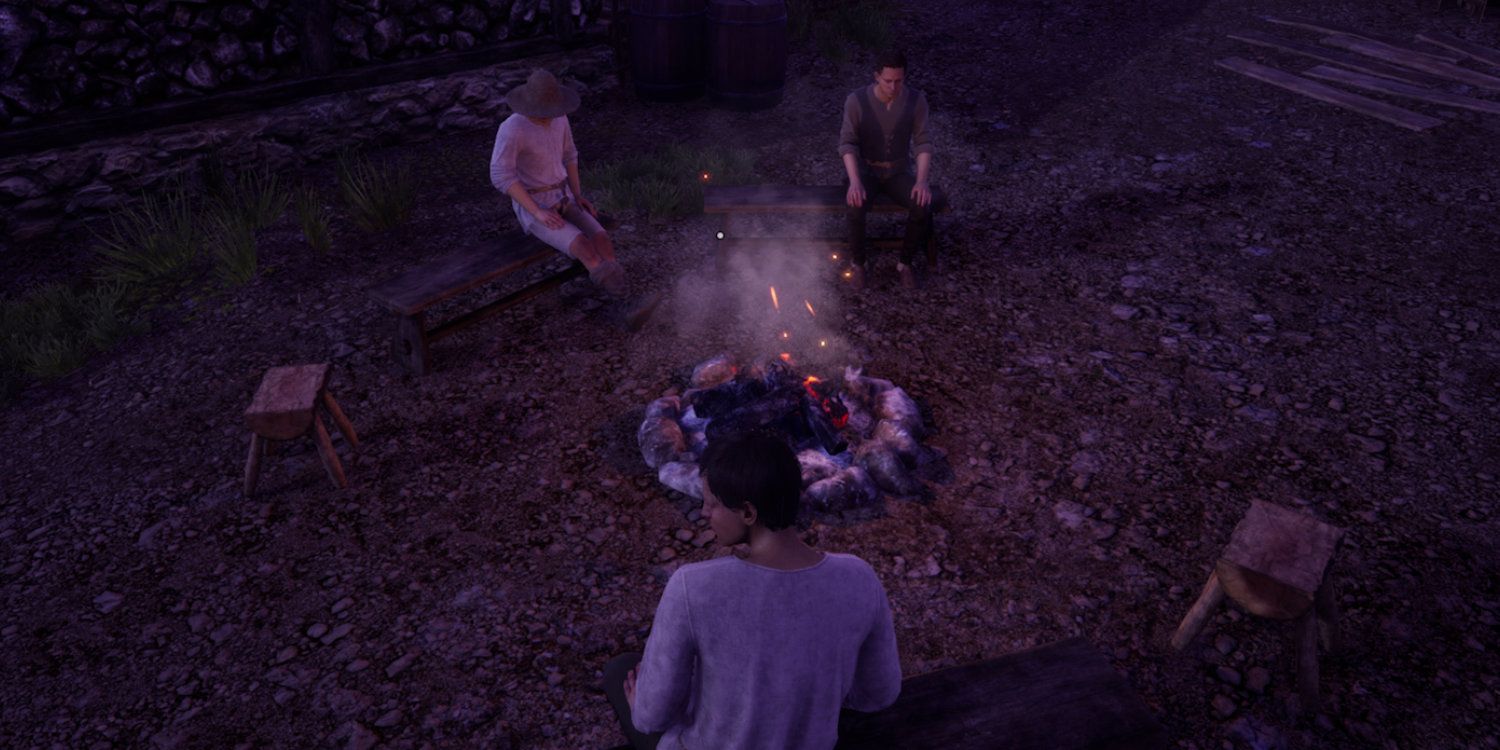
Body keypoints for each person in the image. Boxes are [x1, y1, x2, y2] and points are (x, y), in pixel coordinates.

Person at [602, 432, 902, 750]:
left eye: (713, 503)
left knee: (620, 670)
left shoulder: (694, 587)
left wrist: (642, 705)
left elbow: (652, 717)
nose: (704, 513)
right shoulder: (858, 577)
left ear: (747, 512)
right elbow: (878, 694)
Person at [489, 68, 659, 329]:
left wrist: (577, 195)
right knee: (581, 244)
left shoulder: (560, 119)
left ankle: (621, 298)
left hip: (564, 196)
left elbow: (570, 155)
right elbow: (501, 175)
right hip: (536, 205)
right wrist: (537, 212)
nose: (549, 116)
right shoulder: (512, 129)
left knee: (601, 236)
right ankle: (622, 303)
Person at [838, 49, 935, 291]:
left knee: (922, 205)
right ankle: (859, 262)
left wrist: (922, 181)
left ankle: (905, 263)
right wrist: (854, 181)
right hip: (865, 172)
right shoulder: (856, 101)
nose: (893, 86)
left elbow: (923, 143)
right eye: (888, 81)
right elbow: (847, 143)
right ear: (876, 77)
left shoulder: (915, 100)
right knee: (855, 205)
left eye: (899, 81)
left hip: (898, 171)